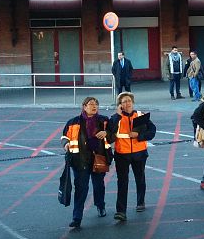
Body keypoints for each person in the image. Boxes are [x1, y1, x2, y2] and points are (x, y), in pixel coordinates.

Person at [60, 96, 110, 229]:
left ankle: (100, 206)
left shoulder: (104, 120)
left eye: (96, 104)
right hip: (80, 160)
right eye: (91, 104)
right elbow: (64, 137)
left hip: (99, 157)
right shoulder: (73, 122)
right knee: (81, 188)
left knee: (99, 185)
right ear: (84, 107)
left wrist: (106, 133)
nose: (94, 107)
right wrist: (66, 144)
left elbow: (113, 134)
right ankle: (77, 217)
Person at [106, 91, 156, 221]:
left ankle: (140, 202)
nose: (127, 103)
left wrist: (139, 136)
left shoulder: (141, 115)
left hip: (139, 153)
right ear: (120, 105)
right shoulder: (115, 118)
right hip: (122, 154)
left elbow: (152, 132)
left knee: (140, 178)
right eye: (124, 102)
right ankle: (121, 211)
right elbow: (110, 132)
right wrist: (117, 115)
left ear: (133, 102)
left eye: (129, 101)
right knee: (122, 182)